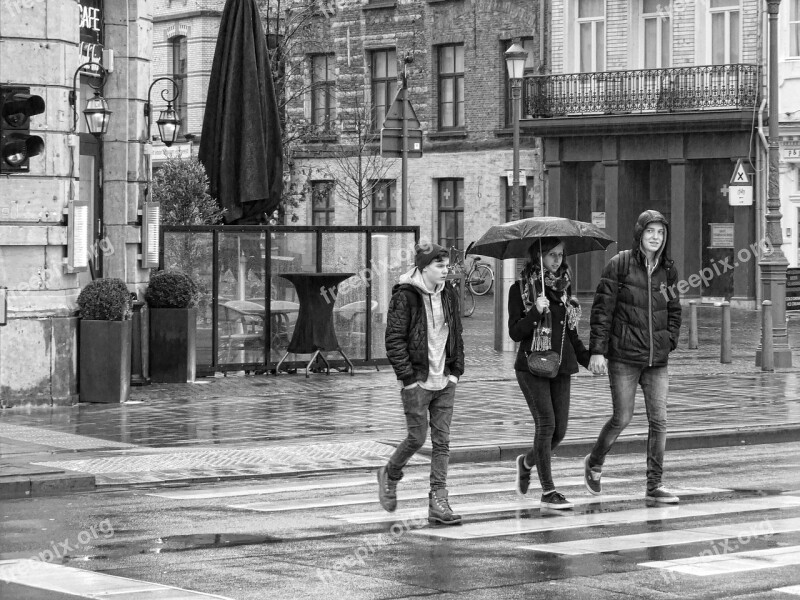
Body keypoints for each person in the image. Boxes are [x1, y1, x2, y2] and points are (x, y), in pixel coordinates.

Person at [584, 210, 682, 504]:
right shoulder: (620, 264)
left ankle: (654, 485)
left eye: (661, 232)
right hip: (625, 356)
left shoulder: (669, 270)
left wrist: (670, 340)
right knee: (622, 417)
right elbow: (602, 311)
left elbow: (675, 310)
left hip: (657, 360)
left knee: (659, 421)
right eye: (650, 231)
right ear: (640, 234)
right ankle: (595, 461)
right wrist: (598, 351)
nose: (656, 237)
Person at [378, 242, 465, 525]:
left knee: (442, 442)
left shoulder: (449, 294)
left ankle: (438, 501)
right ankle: (390, 473)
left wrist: (455, 372)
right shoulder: (406, 297)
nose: (445, 271)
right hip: (417, 381)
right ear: (424, 267)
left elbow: (457, 333)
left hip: (445, 380)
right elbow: (394, 341)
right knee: (417, 438)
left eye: (446, 266)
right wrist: (408, 380)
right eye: (439, 266)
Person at [509, 237, 590, 509]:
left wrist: (591, 360)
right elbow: (515, 332)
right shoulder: (519, 289)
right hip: (532, 365)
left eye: (560, 255)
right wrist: (535, 311)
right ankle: (548, 491)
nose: (557, 260)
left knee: (560, 431)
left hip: (561, 366)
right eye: (551, 255)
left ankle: (527, 461)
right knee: (546, 425)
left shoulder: (565, 290)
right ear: (538, 256)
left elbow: (572, 334)